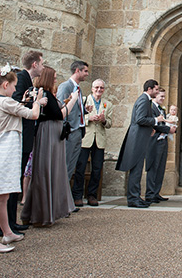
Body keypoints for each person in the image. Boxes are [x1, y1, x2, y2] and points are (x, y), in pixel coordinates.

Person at [0, 65, 46, 253]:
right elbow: (33, 115)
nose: (15, 90)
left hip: (4, 151)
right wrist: (37, 100)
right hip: (1, 153)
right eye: (14, 86)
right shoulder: (5, 102)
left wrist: (26, 101)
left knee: (3, 195)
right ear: (6, 85)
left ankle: (7, 232)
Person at [21, 67, 78, 226]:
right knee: (45, 171)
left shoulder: (47, 94)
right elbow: (60, 114)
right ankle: (41, 215)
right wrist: (73, 100)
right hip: (48, 134)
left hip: (53, 133)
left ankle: (36, 213)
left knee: (50, 171)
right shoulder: (44, 94)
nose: (55, 79)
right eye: (53, 77)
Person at [1, 51, 44, 235]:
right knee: (11, 181)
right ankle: (4, 225)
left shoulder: (27, 79)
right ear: (34, 64)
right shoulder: (21, 78)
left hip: (24, 136)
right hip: (18, 137)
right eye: (42, 63)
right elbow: (16, 103)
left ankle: (11, 222)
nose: (43, 66)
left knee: (15, 181)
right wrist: (37, 102)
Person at [116, 79, 167, 208]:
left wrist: (150, 128)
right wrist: (156, 120)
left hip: (140, 137)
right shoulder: (144, 100)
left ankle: (136, 197)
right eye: (156, 89)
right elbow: (140, 119)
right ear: (149, 89)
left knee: (137, 169)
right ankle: (133, 199)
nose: (157, 91)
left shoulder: (145, 100)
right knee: (136, 169)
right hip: (138, 139)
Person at [72, 79, 113, 207]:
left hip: (99, 140)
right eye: (96, 87)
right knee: (81, 167)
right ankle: (77, 195)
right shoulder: (84, 100)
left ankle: (92, 195)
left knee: (97, 168)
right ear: (92, 88)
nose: (99, 90)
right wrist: (88, 118)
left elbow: (110, 123)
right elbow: (76, 117)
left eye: (101, 88)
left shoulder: (108, 104)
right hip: (86, 139)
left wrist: (103, 120)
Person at [56, 60, 90, 179]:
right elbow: (61, 107)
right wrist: (66, 129)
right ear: (77, 70)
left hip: (79, 131)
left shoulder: (78, 88)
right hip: (69, 131)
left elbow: (74, 108)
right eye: (85, 71)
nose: (87, 74)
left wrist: (84, 110)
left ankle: (65, 194)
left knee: (71, 166)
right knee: (64, 164)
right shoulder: (66, 87)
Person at [145, 88, 173, 204]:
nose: (163, 98)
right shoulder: (151, 108)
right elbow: (153, 124)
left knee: (161, 167)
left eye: (164, 96)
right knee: (153, 167)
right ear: (155, 96)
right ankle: (150, 194)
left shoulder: (162, 109)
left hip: (163, 140)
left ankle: (156, 192)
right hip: (154, 141)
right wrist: (168, 129)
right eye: (161, 96)